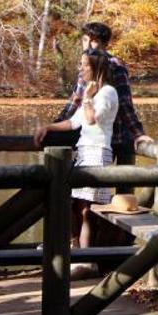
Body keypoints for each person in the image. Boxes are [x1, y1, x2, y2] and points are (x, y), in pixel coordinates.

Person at [34, 49, 118, 276]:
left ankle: (87, 261)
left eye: (84, 65)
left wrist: (88, 97)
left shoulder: (107, 92)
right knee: (74, 207)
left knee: (86, 210)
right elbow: (74, 122)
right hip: (83, 152)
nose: (81, 69)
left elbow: (91, 119)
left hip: (98, 152)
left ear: (96, 68)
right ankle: (77, 253)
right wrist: (47, 127)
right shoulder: (94, 92)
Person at [46, 22, 152, 178]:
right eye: (85, 40)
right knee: (50, 141)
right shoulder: (86, 62)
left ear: (104, 44)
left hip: (110, 136)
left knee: (101, 181)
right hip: (87, 134)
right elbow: (75, 100)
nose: (88, 44)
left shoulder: (114, 65)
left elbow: (125, 103)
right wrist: (56, 124)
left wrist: (138, 133)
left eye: (94, 41)